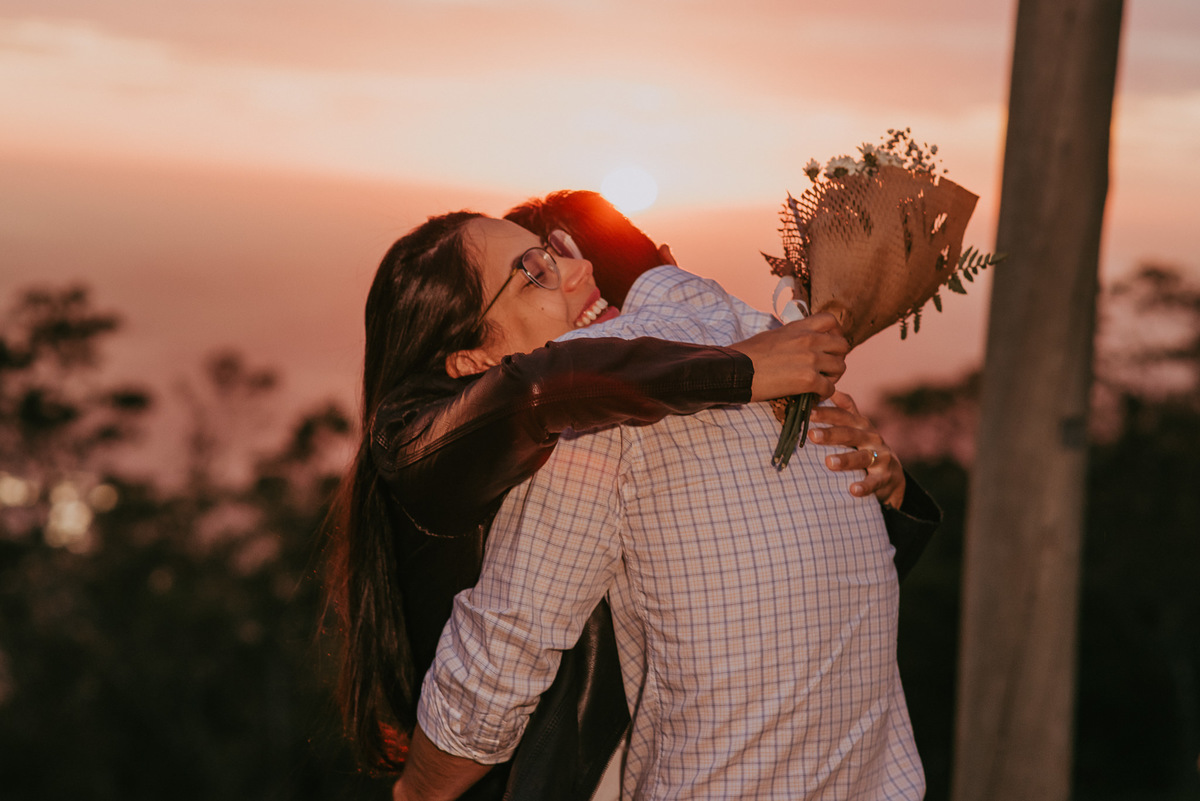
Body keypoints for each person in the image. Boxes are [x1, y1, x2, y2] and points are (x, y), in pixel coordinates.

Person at [396, 195, 938, 800]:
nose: (579, 270)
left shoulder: (601, 412)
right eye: (535, 272)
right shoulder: (780, 343)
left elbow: (501, 661)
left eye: (556, 253)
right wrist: (888, 499)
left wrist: (413, 794)